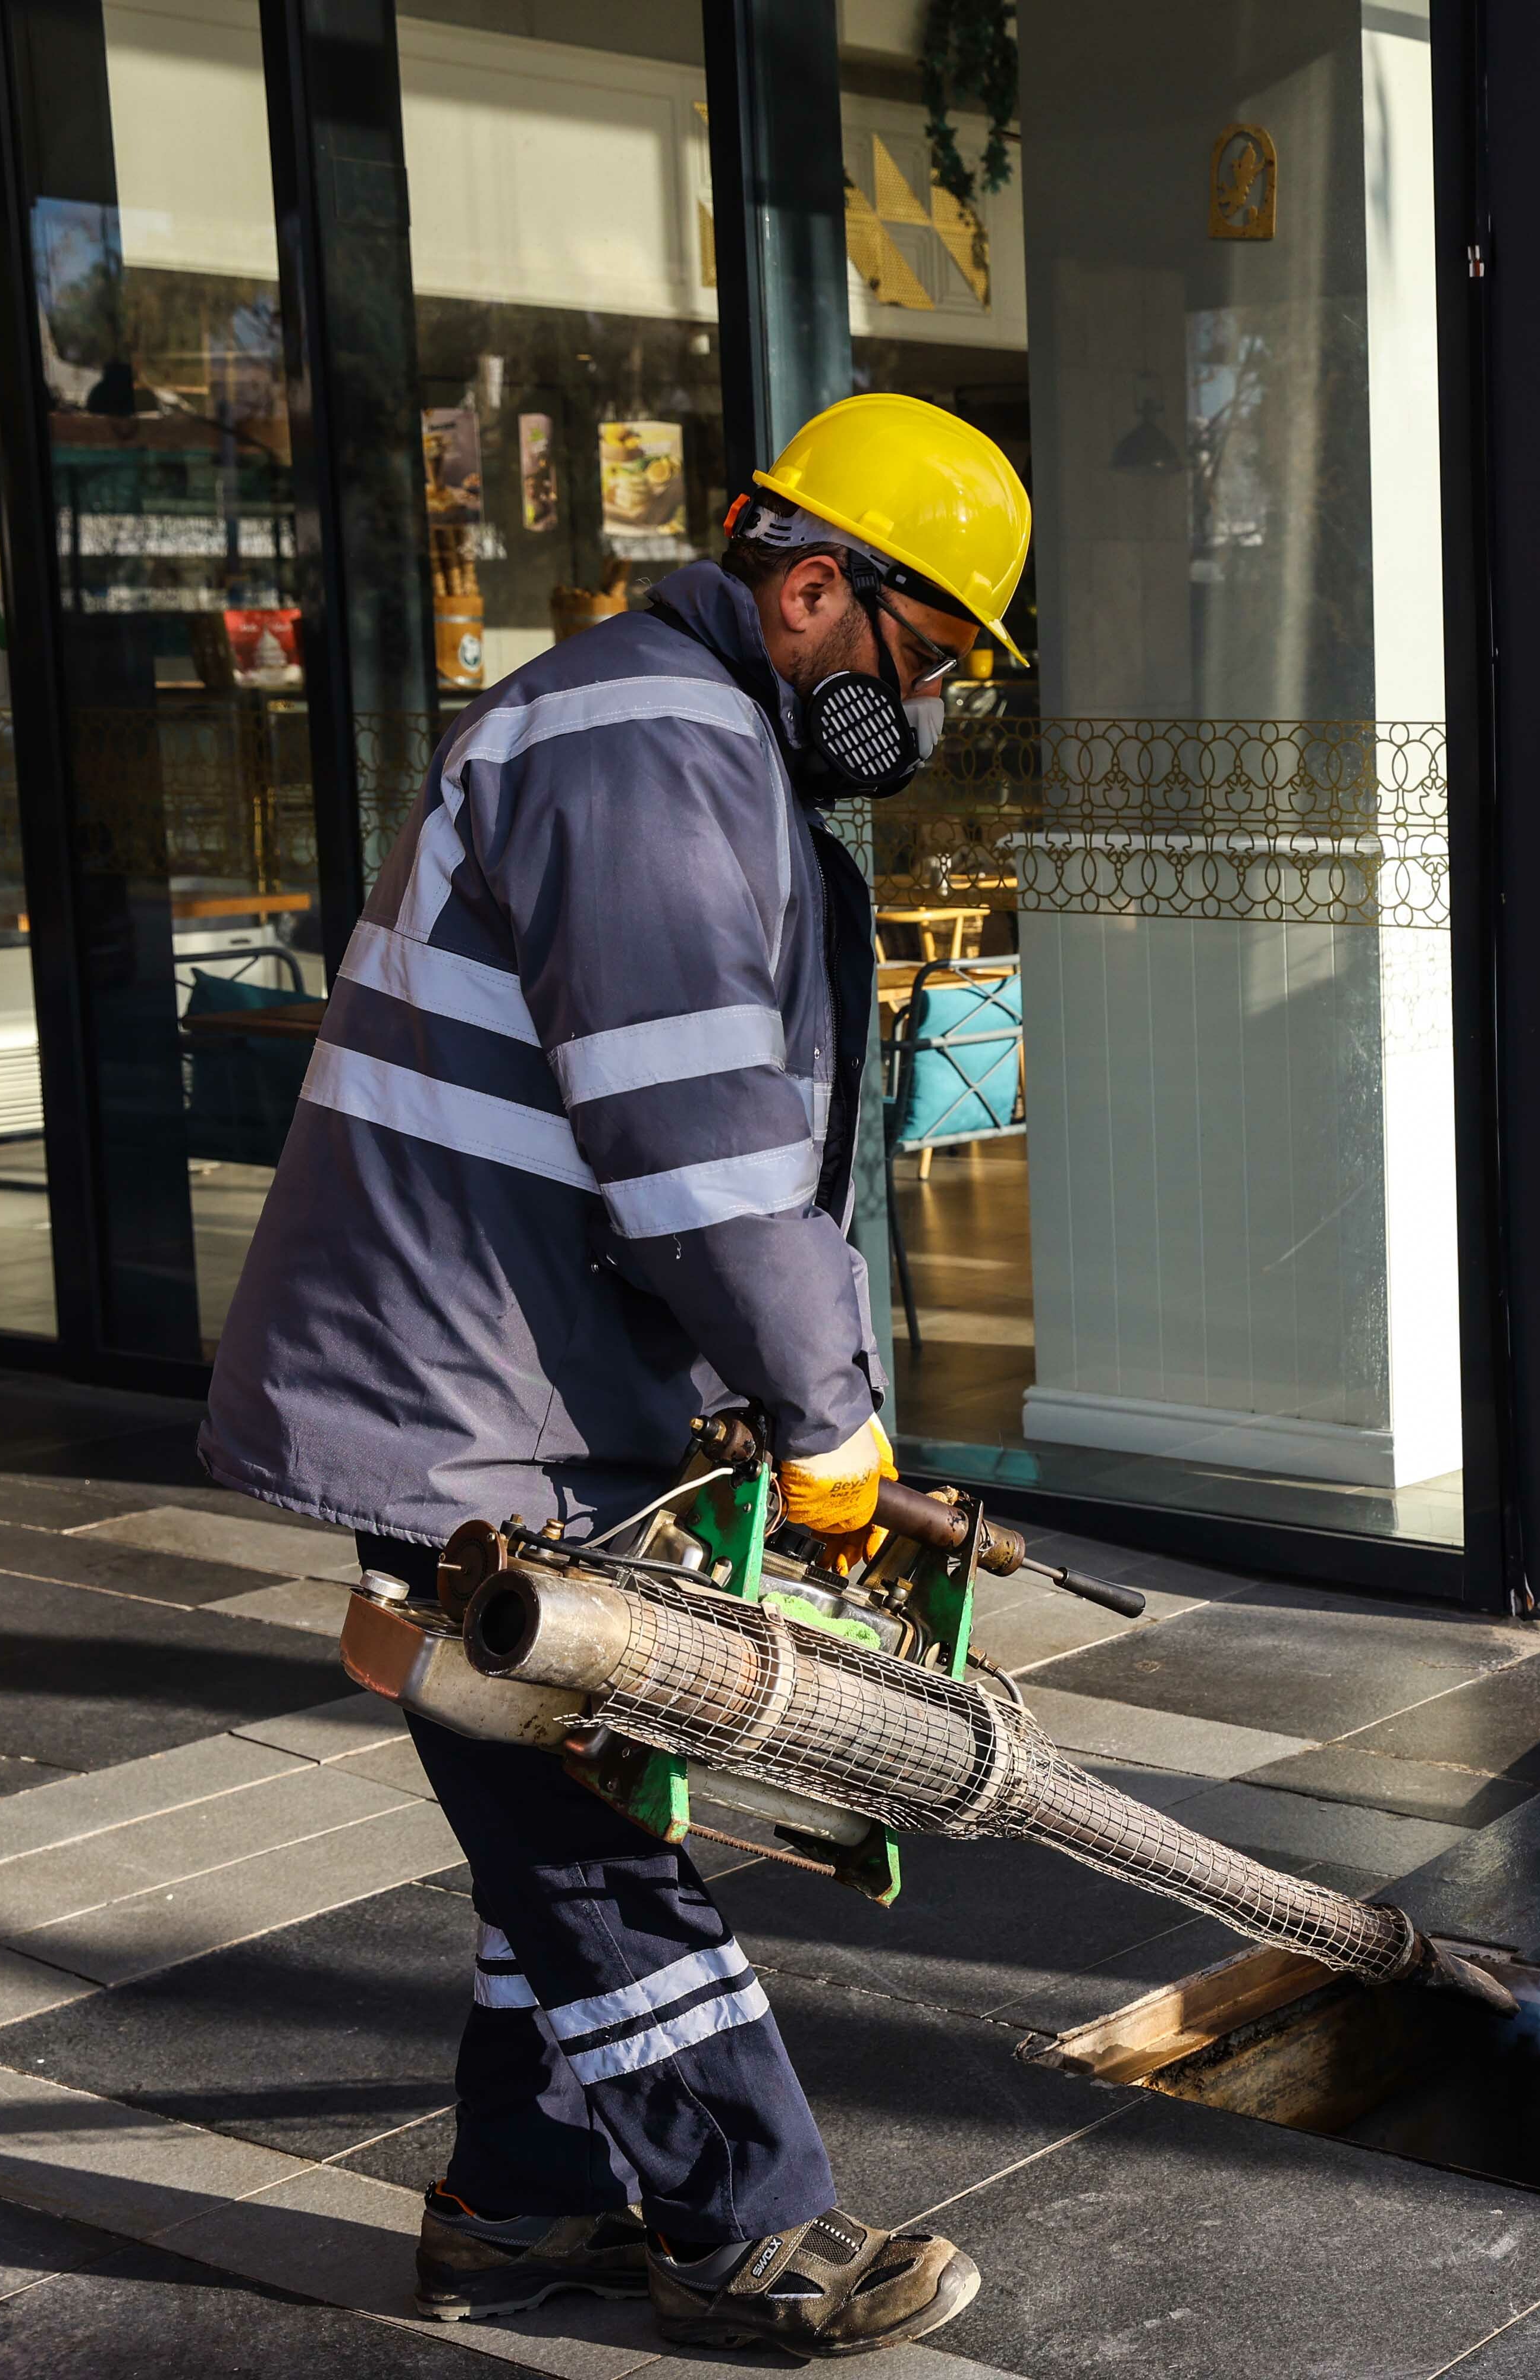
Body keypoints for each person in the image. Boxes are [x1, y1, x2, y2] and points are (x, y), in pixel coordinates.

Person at [200, 394, 1029, 2356]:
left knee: (554, 1801)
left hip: (500, 1369)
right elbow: (699, 1144)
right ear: (819, 588)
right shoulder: (654, 744)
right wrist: (828, 1428)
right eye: (926, 668)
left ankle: (515, 2205)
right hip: (455, 1389)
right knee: (580, 1829)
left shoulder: (681, 736)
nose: (921, 722)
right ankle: (751, 2228)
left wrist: (762, 1398)